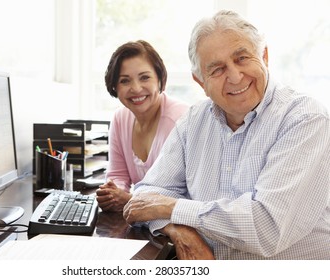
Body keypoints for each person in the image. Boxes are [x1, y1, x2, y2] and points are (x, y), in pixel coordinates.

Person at [123, 10, 330, 260]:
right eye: (217, 69)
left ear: (264, 56)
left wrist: (172, 207)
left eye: (242, 58)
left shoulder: (305, 118)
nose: (234, 76)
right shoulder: (193, 121)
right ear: (201, 82)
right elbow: (146, 196)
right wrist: (179, 229)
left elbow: (266, 227)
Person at [96, 40, 189, 212]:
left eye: (144, 77)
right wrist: (111, 194)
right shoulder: (120, 118)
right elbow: (118, 175)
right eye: (125, 81)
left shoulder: (180, 120)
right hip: (145, 221)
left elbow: (182, 195)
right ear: (114, 86)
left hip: (178, 224)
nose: (136, 88)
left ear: (160, 79)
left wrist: (129, 200)